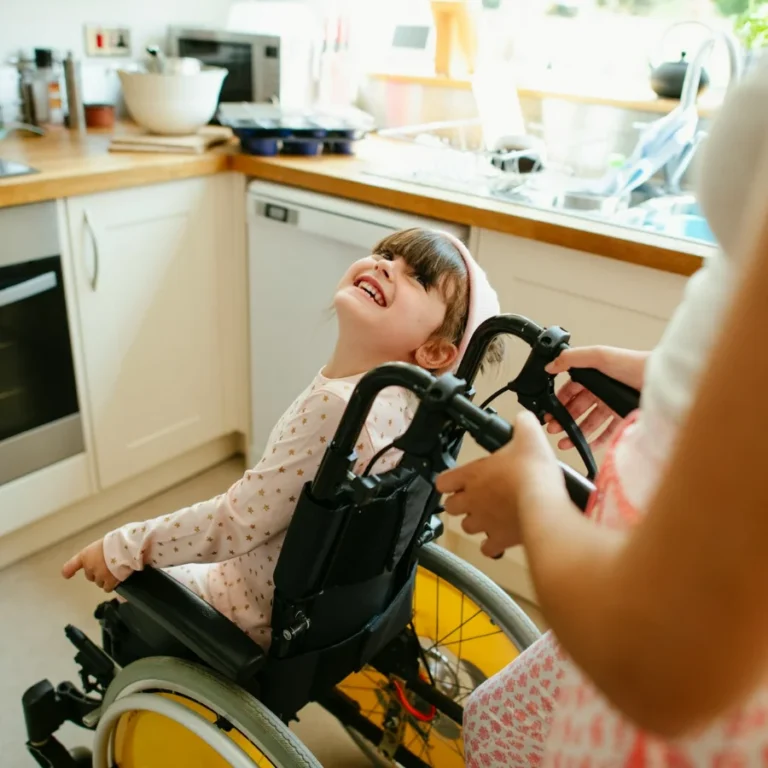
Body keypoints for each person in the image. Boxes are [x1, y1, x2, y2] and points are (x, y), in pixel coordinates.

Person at [438, 55, 768, 764]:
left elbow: (660, 661)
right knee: (496, 720)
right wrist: (672, 377)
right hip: (657, 556)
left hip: (663, 627)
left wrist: (532, 492)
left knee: (499, 730)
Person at [62, 228, 502, 648]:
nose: (385, 266)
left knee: (131, 592)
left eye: (417, 277)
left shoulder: (338, 408)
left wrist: (125, 545)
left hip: (250, 609)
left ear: (434, 351)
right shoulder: (410, 407)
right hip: (336, 605)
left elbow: (233, 523)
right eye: (386, 254)